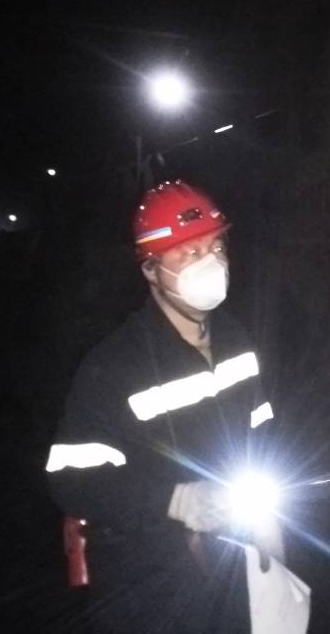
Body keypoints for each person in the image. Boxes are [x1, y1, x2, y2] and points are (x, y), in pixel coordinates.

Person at [46, 180, 282, 634]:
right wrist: (174, 499)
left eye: (215, 247)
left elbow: (263, 434)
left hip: (231, 566)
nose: (209, 263)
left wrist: (270, 524)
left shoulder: (238, 341)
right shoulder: (115, 365)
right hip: (146, 587)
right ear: (151, 270)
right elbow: (70, 480)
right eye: (187, 253)